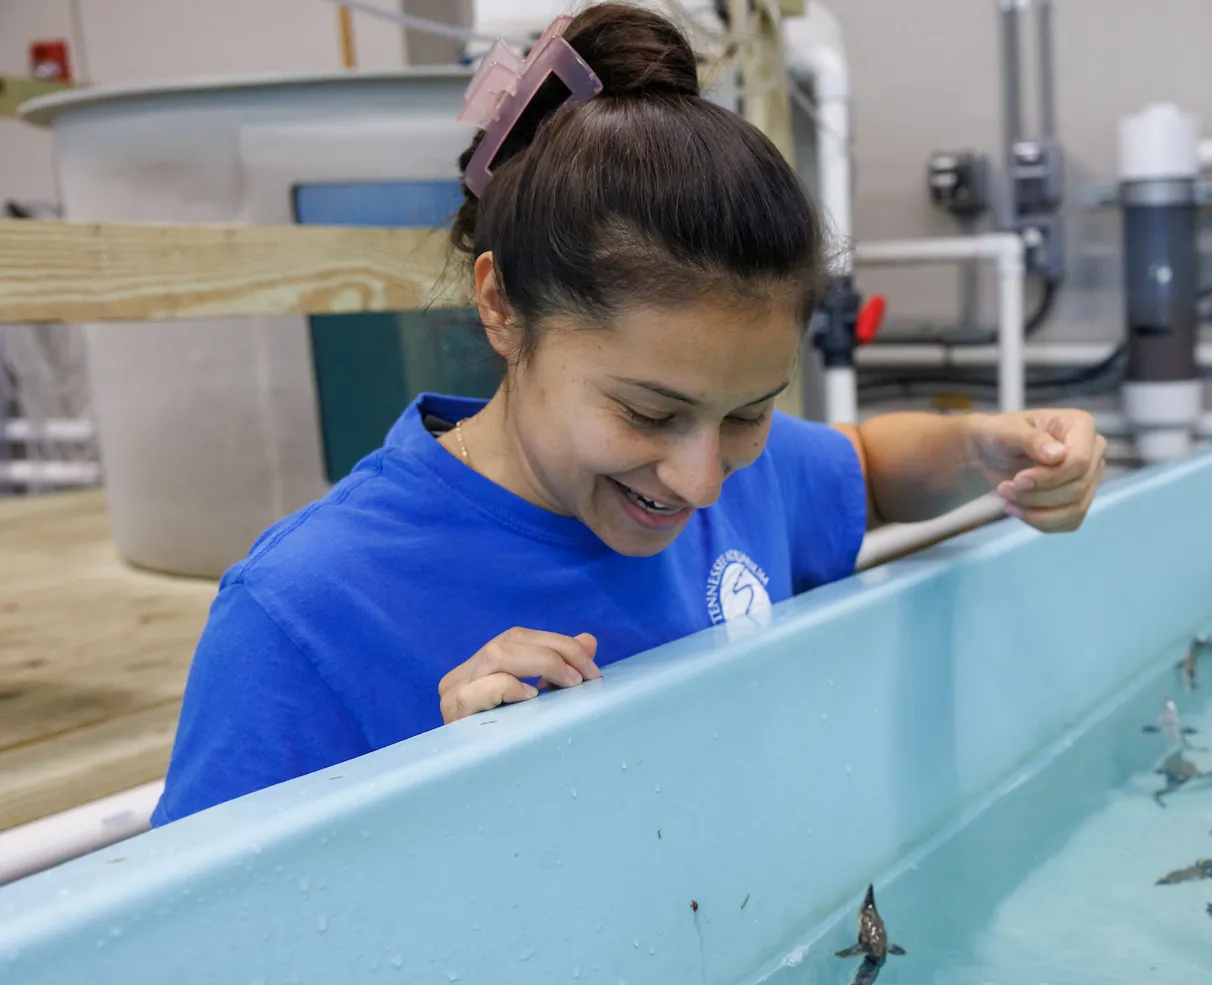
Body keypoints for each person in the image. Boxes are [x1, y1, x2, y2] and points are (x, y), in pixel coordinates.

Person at [151, 4, 1104, 827]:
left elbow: (870, 467)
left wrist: (990, 448)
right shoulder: (307, 614)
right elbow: (196, 974)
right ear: (503, 307)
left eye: (750, 412)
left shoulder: (750, 477)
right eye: (649, 411)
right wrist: (436, 803)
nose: (699, 482)